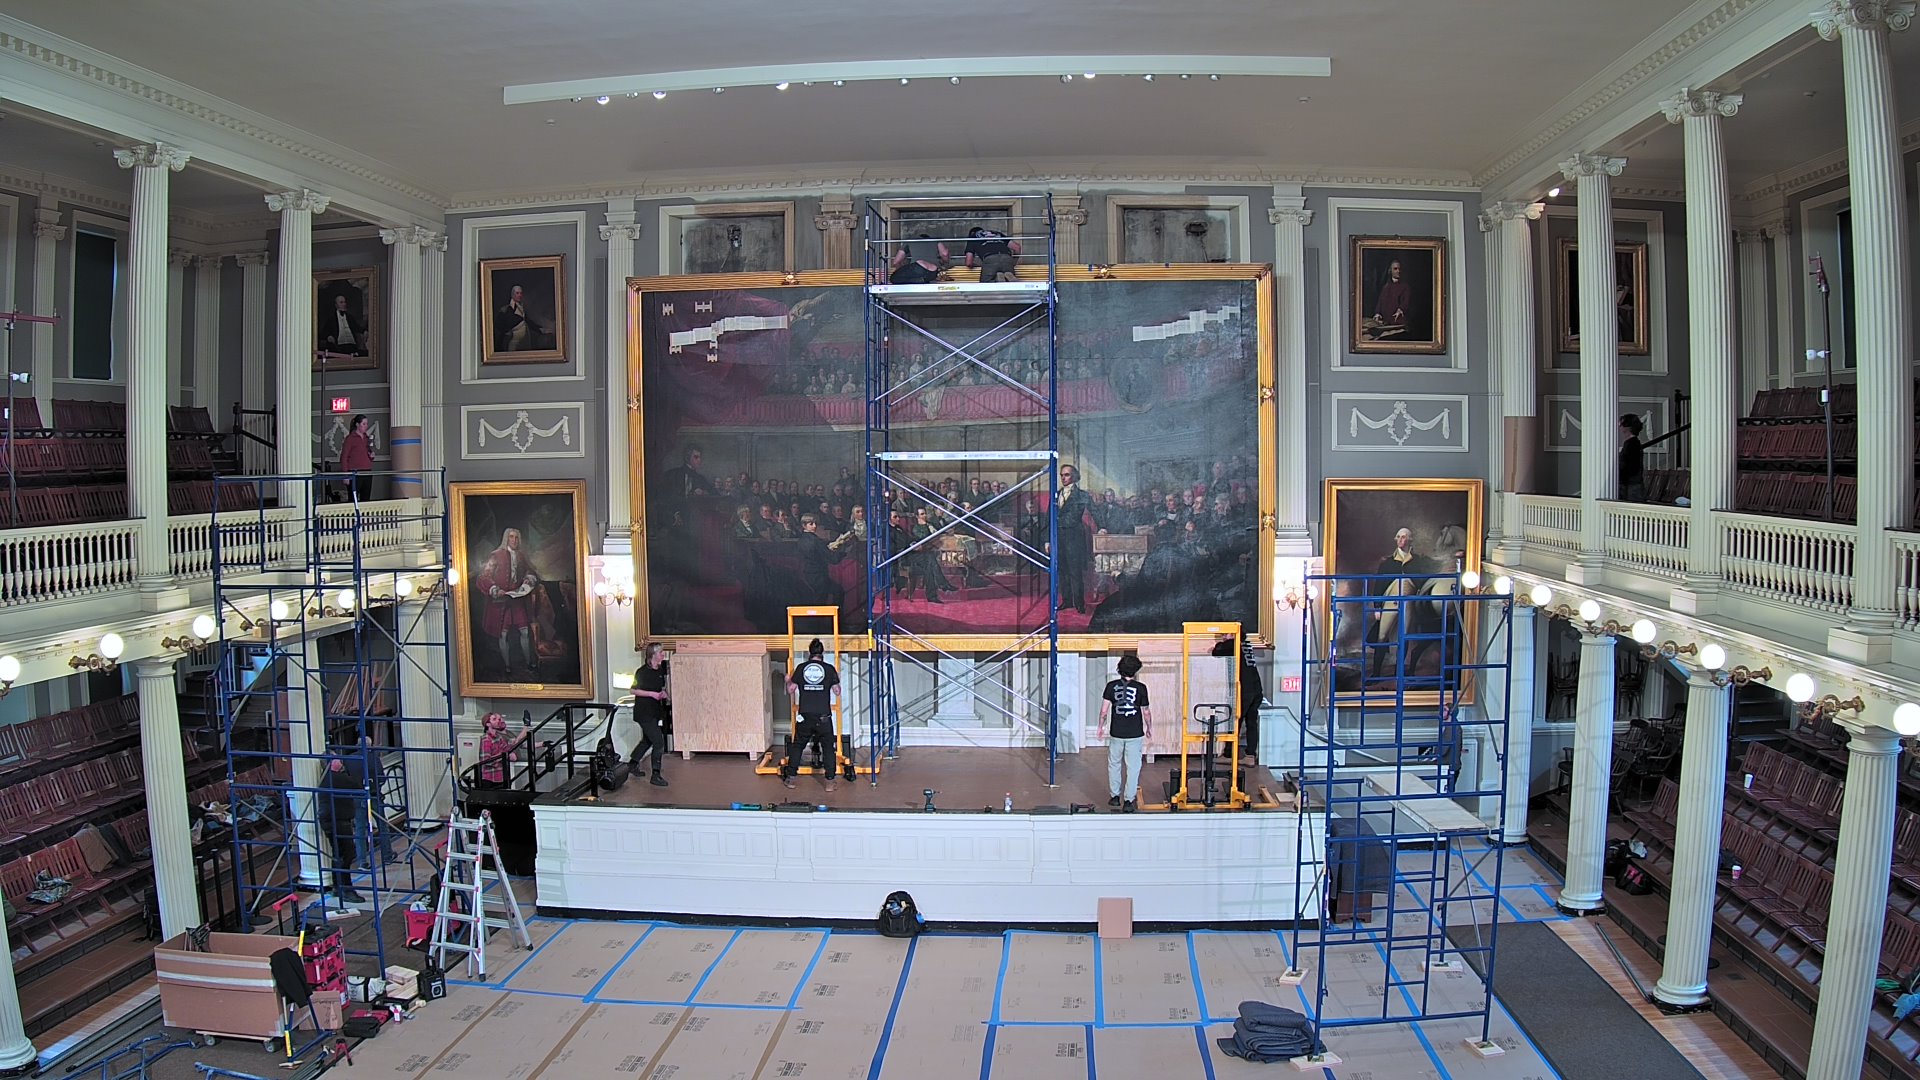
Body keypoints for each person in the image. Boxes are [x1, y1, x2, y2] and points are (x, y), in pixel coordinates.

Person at [476, 527, 539, 679]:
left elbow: (530, 571)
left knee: (525, 631)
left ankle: (529, 663)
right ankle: (507, 666)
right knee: (502, 634)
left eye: (516, 537)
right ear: (506, 538)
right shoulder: (496, 555)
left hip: (517, 599)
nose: (514, 540)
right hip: (501, 601)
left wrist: (528, 580)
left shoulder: (521, 556)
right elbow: (484, 576)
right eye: (511, 537)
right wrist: (495, 589)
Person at [1367, 527, 1430, 678]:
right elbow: (1379, 585)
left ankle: (1398, 672)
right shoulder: (1387, 563)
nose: (1401, 540)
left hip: (1408, 603)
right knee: (1382, 636)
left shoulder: (1418, 561)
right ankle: (1376, 673)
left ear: (1410, 539)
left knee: (1404, 636)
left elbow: (1423, 580)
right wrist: (1377, 606)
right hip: (1390, 601)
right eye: (1398, 537)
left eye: (1404, 537)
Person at [784, 639, 840, 792]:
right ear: (822, 652)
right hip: (823, 716)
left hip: (805, 716)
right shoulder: (829, 669)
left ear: (809, 652)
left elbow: (791, 690)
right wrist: (835, 680)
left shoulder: (801, 668)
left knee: (798, 746)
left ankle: (791, 779)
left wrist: (788, 680)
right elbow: (837, 691)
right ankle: (829, 782)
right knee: (828, 748)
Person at [1099, 654, 1152, 813]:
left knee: (1114, 764)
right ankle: (1129, 800)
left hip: (1116, 732)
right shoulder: (1141, 688)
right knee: (1133, 766)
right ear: (1135, 670)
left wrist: (1100, 726)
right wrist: (1149, 727)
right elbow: (1146, 712)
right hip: (1135, 733)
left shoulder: (1111, 686)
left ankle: (1115, 796)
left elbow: (1104, 711)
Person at [318, 750, 369, 903]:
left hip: (334, 820)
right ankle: (345, 889)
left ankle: (338, 887)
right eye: (336, 759)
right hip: (337, 821)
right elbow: (357, 786)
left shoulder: (329, 778)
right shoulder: (336, 778)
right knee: (346, 855)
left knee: (339, 854)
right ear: (331, 763)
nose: (340, 760)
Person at [629, 642, 671, 787]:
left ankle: (632, 764)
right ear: (653, 655)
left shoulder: (660, 670)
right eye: (660, 652)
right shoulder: (642, 672)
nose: (663, 655)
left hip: (654, 711)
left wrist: (663, 694)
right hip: (644, 712)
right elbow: (633, 690)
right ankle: (656, 775)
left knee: (647, 740)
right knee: (658, 742)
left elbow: (660, 688)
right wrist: (652, 694)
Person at [1056, 464, 1094, 614]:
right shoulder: (1056, 494)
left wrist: (1103, 526)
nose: (1063, 478)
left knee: (1075, 572)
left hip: (1074, 538)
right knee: (1062, 571)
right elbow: (1048, 518)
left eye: (1066, 475)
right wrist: (1047, 541)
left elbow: (1095, 511)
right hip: (1058, 538)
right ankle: (1067, 601)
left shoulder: (1082, 495)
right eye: (1062, 475)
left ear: (1075, 476)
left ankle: (1079, 603)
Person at [478, 711, 532, 787]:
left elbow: (508, 748)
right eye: (494, 719)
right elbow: (485, 760)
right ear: (488, 724)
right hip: (490, 779)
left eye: (498, 719)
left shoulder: (499, 737)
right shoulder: (486, 739)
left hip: (501, 777)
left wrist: (510, 752)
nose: (498, 720)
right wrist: (503, 756)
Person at [494, 283, 552, 353]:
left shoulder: (521, 308)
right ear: (512, 294)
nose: (519, 295)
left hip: (524, 341)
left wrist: (540, 330)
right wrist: (507, 332)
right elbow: (497, 324)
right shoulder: (505, 309)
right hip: (512, 341)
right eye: (517, 293)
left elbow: (527, 321)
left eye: (521, 293)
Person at [319, 293, 368, 357]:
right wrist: (328, 337)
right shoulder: (331, 319)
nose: (344, 304)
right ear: (336, 305)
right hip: (339, 346)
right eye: (341, 302)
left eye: (344, 302)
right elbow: (323, 334)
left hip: (352, 345)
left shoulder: (350, 317)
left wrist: (364, 331)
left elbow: (357, 327)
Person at [339, 414, 374, 502]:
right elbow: (344, 457)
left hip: (367, 471)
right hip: (354, 472)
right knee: (353, 498)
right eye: (364, 424)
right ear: (357, 425)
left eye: (366, 424)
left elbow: (367, 452)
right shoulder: (350, 439)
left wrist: (371, 456)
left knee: (366, 498)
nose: (366, 426)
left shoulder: (366, 438)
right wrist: (345, 475)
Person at [1373, 260, 1412, 333]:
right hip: (1385, 323)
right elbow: (1380, 302)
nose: (1398, 271)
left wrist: (1401, 310)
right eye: (1395, 269)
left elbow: (1406, 302)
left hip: (1398, 323)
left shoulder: (1405, 287)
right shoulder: (1386, 287)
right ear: (1390, 271)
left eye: (1399, 269)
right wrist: (1377, 313)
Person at [1618, 413, 1646, 502]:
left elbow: (1630, 466)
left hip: (1631, 487)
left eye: (1621, 424)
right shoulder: (1631, 443)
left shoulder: (1632, 444)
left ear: (1628, 427)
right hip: (1630, 485)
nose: (1620, 427)